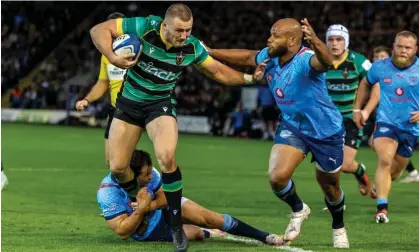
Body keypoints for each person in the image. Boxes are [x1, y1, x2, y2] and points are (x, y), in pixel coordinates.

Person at [89, 4, 266, 251]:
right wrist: (113, 56)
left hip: (159, 105)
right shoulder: (143, 26)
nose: (184, 36)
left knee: (166, 157)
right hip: (128, 105)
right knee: (118, 167)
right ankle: (138, 198)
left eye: (188, 30)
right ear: (164, 25)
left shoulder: (191, 46)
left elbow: (217, 71)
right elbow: (98, 30)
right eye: (179, 30)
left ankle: (175, 225)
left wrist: (249, 78)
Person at [206, 18, 349, 248]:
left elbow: (325, 61)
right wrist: (212, 52)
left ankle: (338, 225)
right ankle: (298, 208)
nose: (269, 39)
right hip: (293, 126)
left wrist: (316, 41)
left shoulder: (304, 60)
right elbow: (248, 57)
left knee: (330, 187)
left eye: (275, 35)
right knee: (277, 177)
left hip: (326, 132)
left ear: (292, 40)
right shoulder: (270, 56)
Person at [97, 149, 284, 246]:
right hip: (148, 231)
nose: (151, 177)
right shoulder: (107, 192)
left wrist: (150, 206)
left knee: (210, 218)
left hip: (164, 209)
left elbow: (167, 197)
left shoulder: (151, 174)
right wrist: (141, 211)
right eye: (145, 175)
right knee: (196, 233)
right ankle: (210, 233)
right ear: (133, 176)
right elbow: (122, 232)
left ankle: (265, 236)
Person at [353, 31, 419, 223]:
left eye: (408, 47)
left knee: (396, 171)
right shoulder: (380, 67)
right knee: (385, 160)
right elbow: (365, 83)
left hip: (411, 128)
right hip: (386, 123)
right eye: (400, 46)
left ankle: (379, 187)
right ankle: (382, 209)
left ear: (415, 49)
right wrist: (358, 109)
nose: (403, 51)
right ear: (393, 46)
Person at [324, 24, 372, 198]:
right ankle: (335, 199)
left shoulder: (358, 61)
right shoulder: (320, 61)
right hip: (326, 121)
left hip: (350, 118)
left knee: (344, 165)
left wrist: (364, 110)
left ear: (346, 42)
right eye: (330, 39)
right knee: (328, 164)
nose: (334, 44)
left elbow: (377, 83)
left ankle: (359, 171)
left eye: (339, 39)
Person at [75, 12, 127, 166]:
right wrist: (87, 99)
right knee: (111, 160)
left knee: (122, 160)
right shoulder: (107, 55)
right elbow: (103, 83)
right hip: (115, 109)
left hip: (132, 109)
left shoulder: (136, 49)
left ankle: (149, 186)